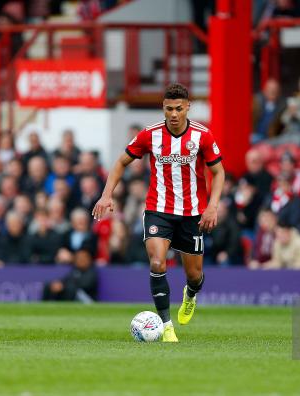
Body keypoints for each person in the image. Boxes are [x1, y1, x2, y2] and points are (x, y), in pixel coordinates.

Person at [92, 83, 225, 343]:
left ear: (187, 107)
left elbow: (219, 172)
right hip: (158, 209)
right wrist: (107, 194)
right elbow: (121, 162)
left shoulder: (202, 136)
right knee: (157, 263)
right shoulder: (149, 135)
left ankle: (191, 294)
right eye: (168, 109)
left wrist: (212, 205)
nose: (173, 114)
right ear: (163, 109)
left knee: (194, 276)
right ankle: (166, 326)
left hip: (192, 214)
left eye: (178, 108)